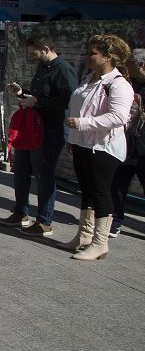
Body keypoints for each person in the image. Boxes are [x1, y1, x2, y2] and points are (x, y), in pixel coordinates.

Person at [58, 35, 133, 260]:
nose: (88, 57)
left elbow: (118, 116)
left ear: (108, 57)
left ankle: (100, 243)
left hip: (103, 146)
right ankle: (83, 236)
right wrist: (73, 138)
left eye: (93, 53)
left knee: (101, 192)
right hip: (83, 143)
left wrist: (83, 124)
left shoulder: (118, 84)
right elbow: (77, 108)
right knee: (87, 191)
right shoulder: (89, 78)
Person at [1, 32, 77, 235]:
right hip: (31, 127)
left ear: (46, 49)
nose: (32, 58)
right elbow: (39, 96)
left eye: (34, 54)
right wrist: (22, 93)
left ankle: (44, 220)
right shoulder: (43, 68)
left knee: (43, 175)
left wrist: (38, 102)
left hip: (49, 130)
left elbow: (69, 101)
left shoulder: (63, 70)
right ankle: (20, 212)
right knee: (21, 170)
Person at [110, 48, 145, 236]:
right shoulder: (127, 85)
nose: (126, 67)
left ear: (141, 65)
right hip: (126, 145)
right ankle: (116, 220)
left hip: (143, 148)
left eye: (130, 64)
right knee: (117, 186)